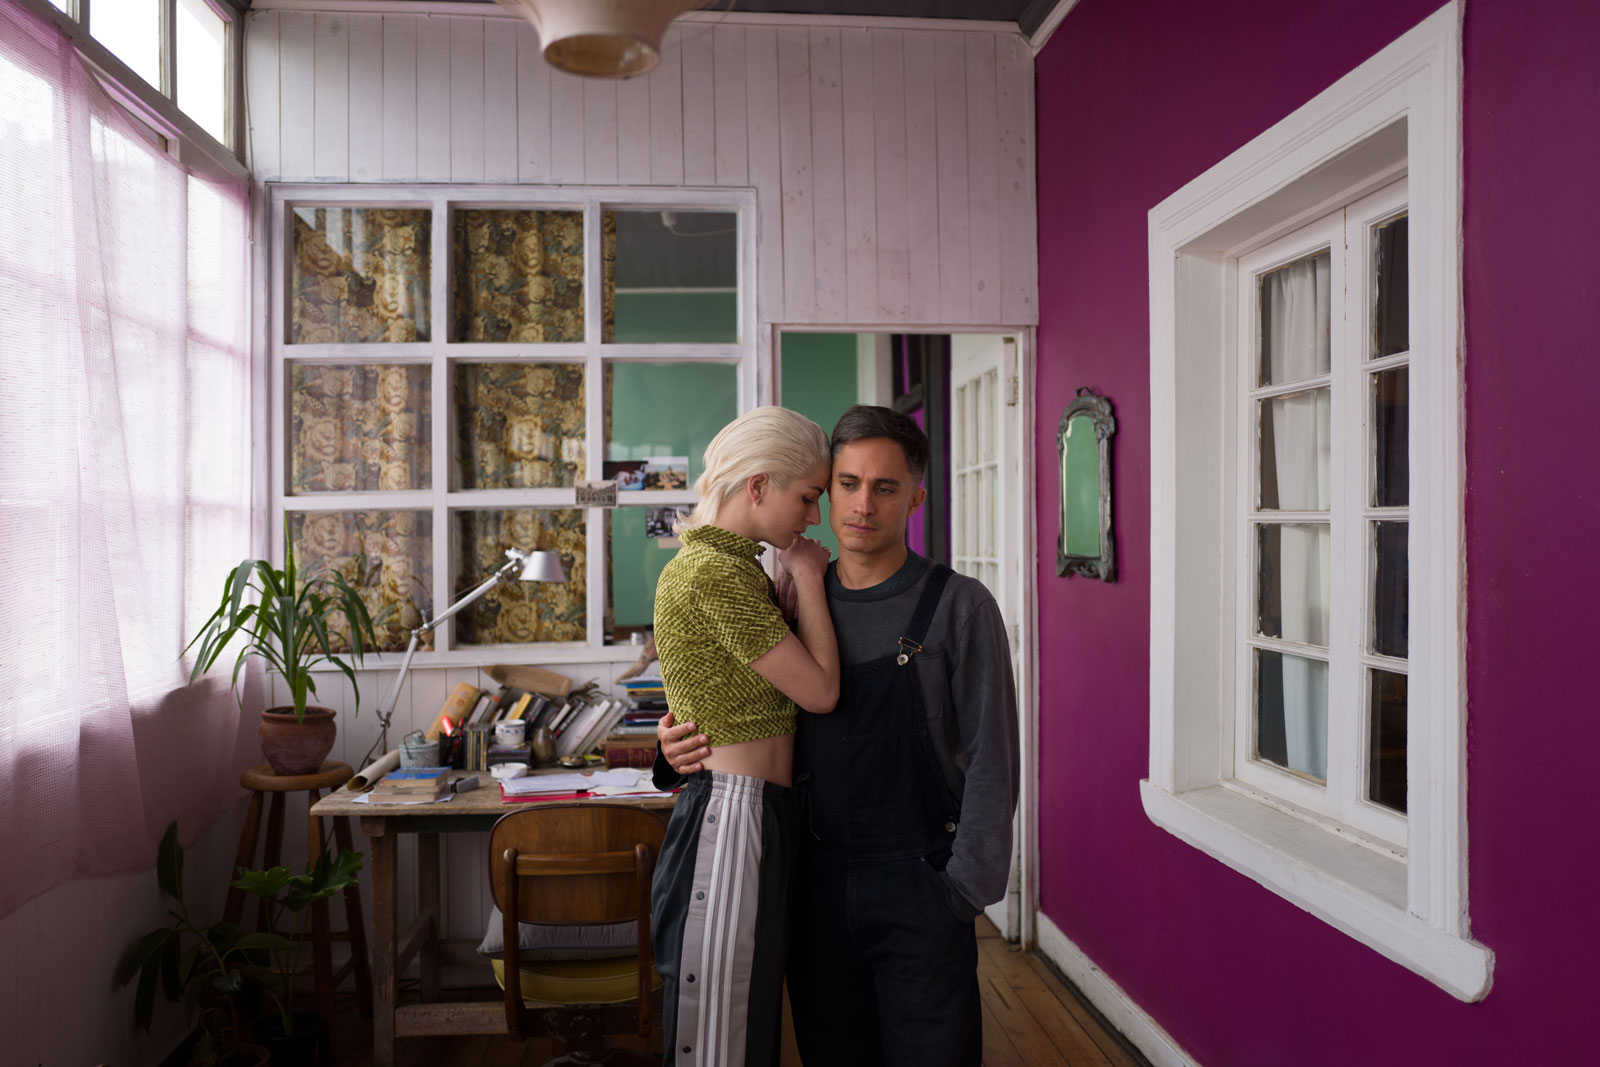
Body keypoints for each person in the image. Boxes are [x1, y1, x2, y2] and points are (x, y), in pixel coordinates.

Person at [657, 405, 1020, 1067]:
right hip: (811, 885)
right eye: (846, 484)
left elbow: (994, 758)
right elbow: (739, 700)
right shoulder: (787, 597)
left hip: (922, 890)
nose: (862, 504)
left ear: (915, 498)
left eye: (885, 487)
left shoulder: (961, 606)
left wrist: (963, 891)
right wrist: (672, 747)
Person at [648, 405, 841, 1067]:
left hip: (755, 812)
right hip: (731, 816)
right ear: (758, 486)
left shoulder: (736, 571)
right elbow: (821, 691)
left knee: (743, 1022)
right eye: (807, 497)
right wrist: (808, 577)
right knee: (721, 1033)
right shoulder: (712, 573)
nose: (813, 517)